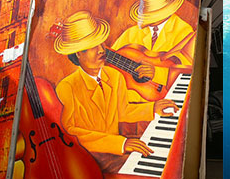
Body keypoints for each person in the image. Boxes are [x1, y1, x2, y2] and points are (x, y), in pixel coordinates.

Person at [54, 10, 178, 174]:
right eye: (93, 47)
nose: (101, 50)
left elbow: (123, 111)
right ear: (78, 53)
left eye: (101, 44)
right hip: (88, 159)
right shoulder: (67, 87)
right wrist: (120, 144)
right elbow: (73, 133)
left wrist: (152, 108)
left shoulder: (114, 76)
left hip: (116, 155)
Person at [111, 0, 196, 102]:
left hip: (168, 101)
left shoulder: (184, 32)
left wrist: (156, 73)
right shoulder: (131, 33)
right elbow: (109, 62)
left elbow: (189, 73)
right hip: (129, 102)